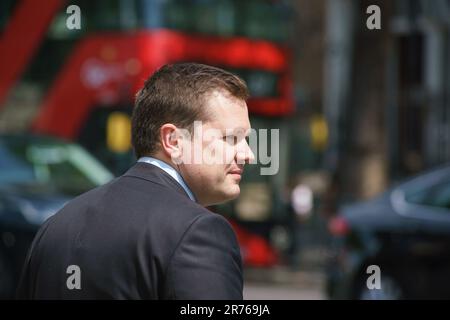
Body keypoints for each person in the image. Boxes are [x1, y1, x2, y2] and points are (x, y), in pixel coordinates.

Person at [16, 63, 255, 299]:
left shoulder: (56, 225)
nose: (248, 154)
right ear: (173, 140)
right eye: (231, 138)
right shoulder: (198, 231)